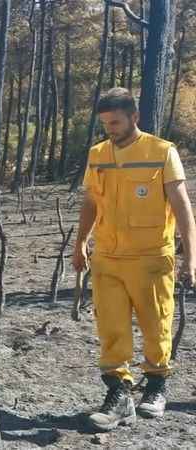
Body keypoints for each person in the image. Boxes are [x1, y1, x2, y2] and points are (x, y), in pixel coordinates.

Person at [73, 87, 196, 432]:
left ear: (134, 118)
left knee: (156, 324)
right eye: (105, 123)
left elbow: (183, 208)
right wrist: (80, 242)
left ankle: (156, 387)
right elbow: (90, 203)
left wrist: (191, 257)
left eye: (115, 122)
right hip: (108, 257)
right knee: (111, 327)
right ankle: (119, 395)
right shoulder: (98, 154)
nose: (110, 129)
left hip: (151, 257)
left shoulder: (161, 152)